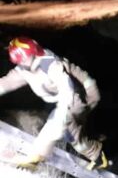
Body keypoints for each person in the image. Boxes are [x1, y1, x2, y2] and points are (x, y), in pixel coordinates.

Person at [0, 37, 108, 170]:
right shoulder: (24, 68)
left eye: (24, 58)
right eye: (18, 61)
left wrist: (60, 115)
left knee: (58, 120)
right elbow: (7, 82)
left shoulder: (50, 65)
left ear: (33, 52)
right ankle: (97, 156)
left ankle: (36, 156)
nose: (22, 63)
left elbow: (66, 88)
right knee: (72, 137)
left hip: (78, 96)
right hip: (63, 98)